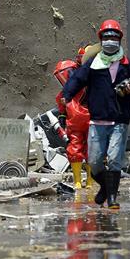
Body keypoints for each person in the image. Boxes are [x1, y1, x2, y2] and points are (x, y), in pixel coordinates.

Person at [62, 19, 130, 209]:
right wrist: (67, 95)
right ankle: (105, 189)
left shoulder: (128, 65)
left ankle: (113, 198)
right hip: (97, 120)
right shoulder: (93, 64)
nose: (110, 40)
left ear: (119, 40)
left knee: (115, 159)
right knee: (94, 161)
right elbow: (77, 80)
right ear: (101, 39)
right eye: (107, 37)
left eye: (114, 37)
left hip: (119, 120)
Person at [53, 51, 90, 189]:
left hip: (85, 121)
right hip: (77, 123)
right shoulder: (64, 94)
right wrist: (62, 117)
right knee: (77, 150)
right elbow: (62, 109)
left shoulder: (85, 84)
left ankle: (86, 181)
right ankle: (79, 181)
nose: (64, 78)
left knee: (89, 150)